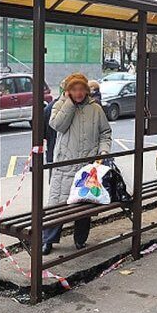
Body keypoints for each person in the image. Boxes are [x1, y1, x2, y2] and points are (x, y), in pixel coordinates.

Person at [42, 73, 112, 255]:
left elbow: (105, 133)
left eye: (81, 89)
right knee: (57, 204)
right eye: (74, 89)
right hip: (65, 164)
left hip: (88, 166)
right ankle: (48, 240)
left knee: (85, 203)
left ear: (86, 90)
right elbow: (57, 125)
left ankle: (80, 239)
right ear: (68, 90)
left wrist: (103, 151)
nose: (78, 93)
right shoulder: (60, 105)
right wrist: (69, 104)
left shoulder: (96, 109)